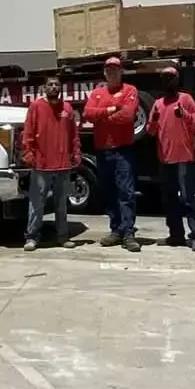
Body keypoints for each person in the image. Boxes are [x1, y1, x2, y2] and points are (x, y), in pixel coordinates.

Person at [82, 56, 142, 250]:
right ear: (104, 73)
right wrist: (111, 109)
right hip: (103, 151)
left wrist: (103, 116)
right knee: (109, 192)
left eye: (115, 69)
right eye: (108, 70)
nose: (111, 72)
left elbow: (127, 116)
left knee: (126, 192)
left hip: (123, 150)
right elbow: (88, 114)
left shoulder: (130, 90)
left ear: (121, 71)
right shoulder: (98, 92)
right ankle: (115, 229)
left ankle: (128, 233)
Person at [147, 66, 195, 251]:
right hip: (165, 159)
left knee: (188, 198)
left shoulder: (185, 99)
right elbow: (150, 131)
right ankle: (176, 235)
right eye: (164, 78)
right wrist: (154, 120)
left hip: (184, 158)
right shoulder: (157, 104)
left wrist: (185, 115)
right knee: (169, 199)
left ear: (177, 80)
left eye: (171, 78)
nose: (168, 81)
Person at [20, 75, 80, 251]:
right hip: (41, 164)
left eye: (56, 84)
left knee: (61, 203)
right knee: (37, 202)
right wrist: (28, 154)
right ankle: (32, 237)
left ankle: (63, 237)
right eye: (50, 84)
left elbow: (73, 135)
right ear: (44, 88)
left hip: (63, 164)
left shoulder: (67, 108)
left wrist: (76, 153)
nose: (53, 87)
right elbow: (28, 133)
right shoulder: (36, 107)